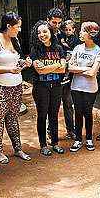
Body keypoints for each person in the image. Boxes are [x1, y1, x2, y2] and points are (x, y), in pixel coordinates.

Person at [0, 12, 32, 163]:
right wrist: (9, 70)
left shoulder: (14, 39)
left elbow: (15, 62)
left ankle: (17, 149)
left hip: (15, 86)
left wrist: (24, 63)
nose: (19, 30)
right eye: (17, 27)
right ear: (8, 26)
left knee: (13, 118)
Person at [30, 22, 67, 156]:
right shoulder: (35, 49)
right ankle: (43, 144)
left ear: (51, 32)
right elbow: (39, 71)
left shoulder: (58, 48)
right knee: (42, 115)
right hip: (41, 87)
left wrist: (48, 68)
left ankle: (55, 143)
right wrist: (56, 65)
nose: (42, 35)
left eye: (45, 32)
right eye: (39, 32)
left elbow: (63, 68)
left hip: (56, 86)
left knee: (54, 115)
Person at [68, 22, 100, 152]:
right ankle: (78, 139)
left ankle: (88, 138)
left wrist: (80, 69)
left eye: (83, 31)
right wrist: (86, 68)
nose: (80, 33)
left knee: (88, 113)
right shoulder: (77, 48)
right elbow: (70, 68)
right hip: (76, 87)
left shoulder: (98, 51)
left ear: (90, 34)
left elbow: (93, 73)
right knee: (78, 113)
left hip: (90, 88)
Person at [58, 19, 80, 139]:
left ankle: (71, 130)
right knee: (53, 107)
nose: (67, 31)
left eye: (69, 29)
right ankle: (51, 132)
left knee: (68, 104)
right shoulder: (58, 38)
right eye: (65, 29)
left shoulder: (75, 40)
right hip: (56, 78)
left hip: (68, 78)